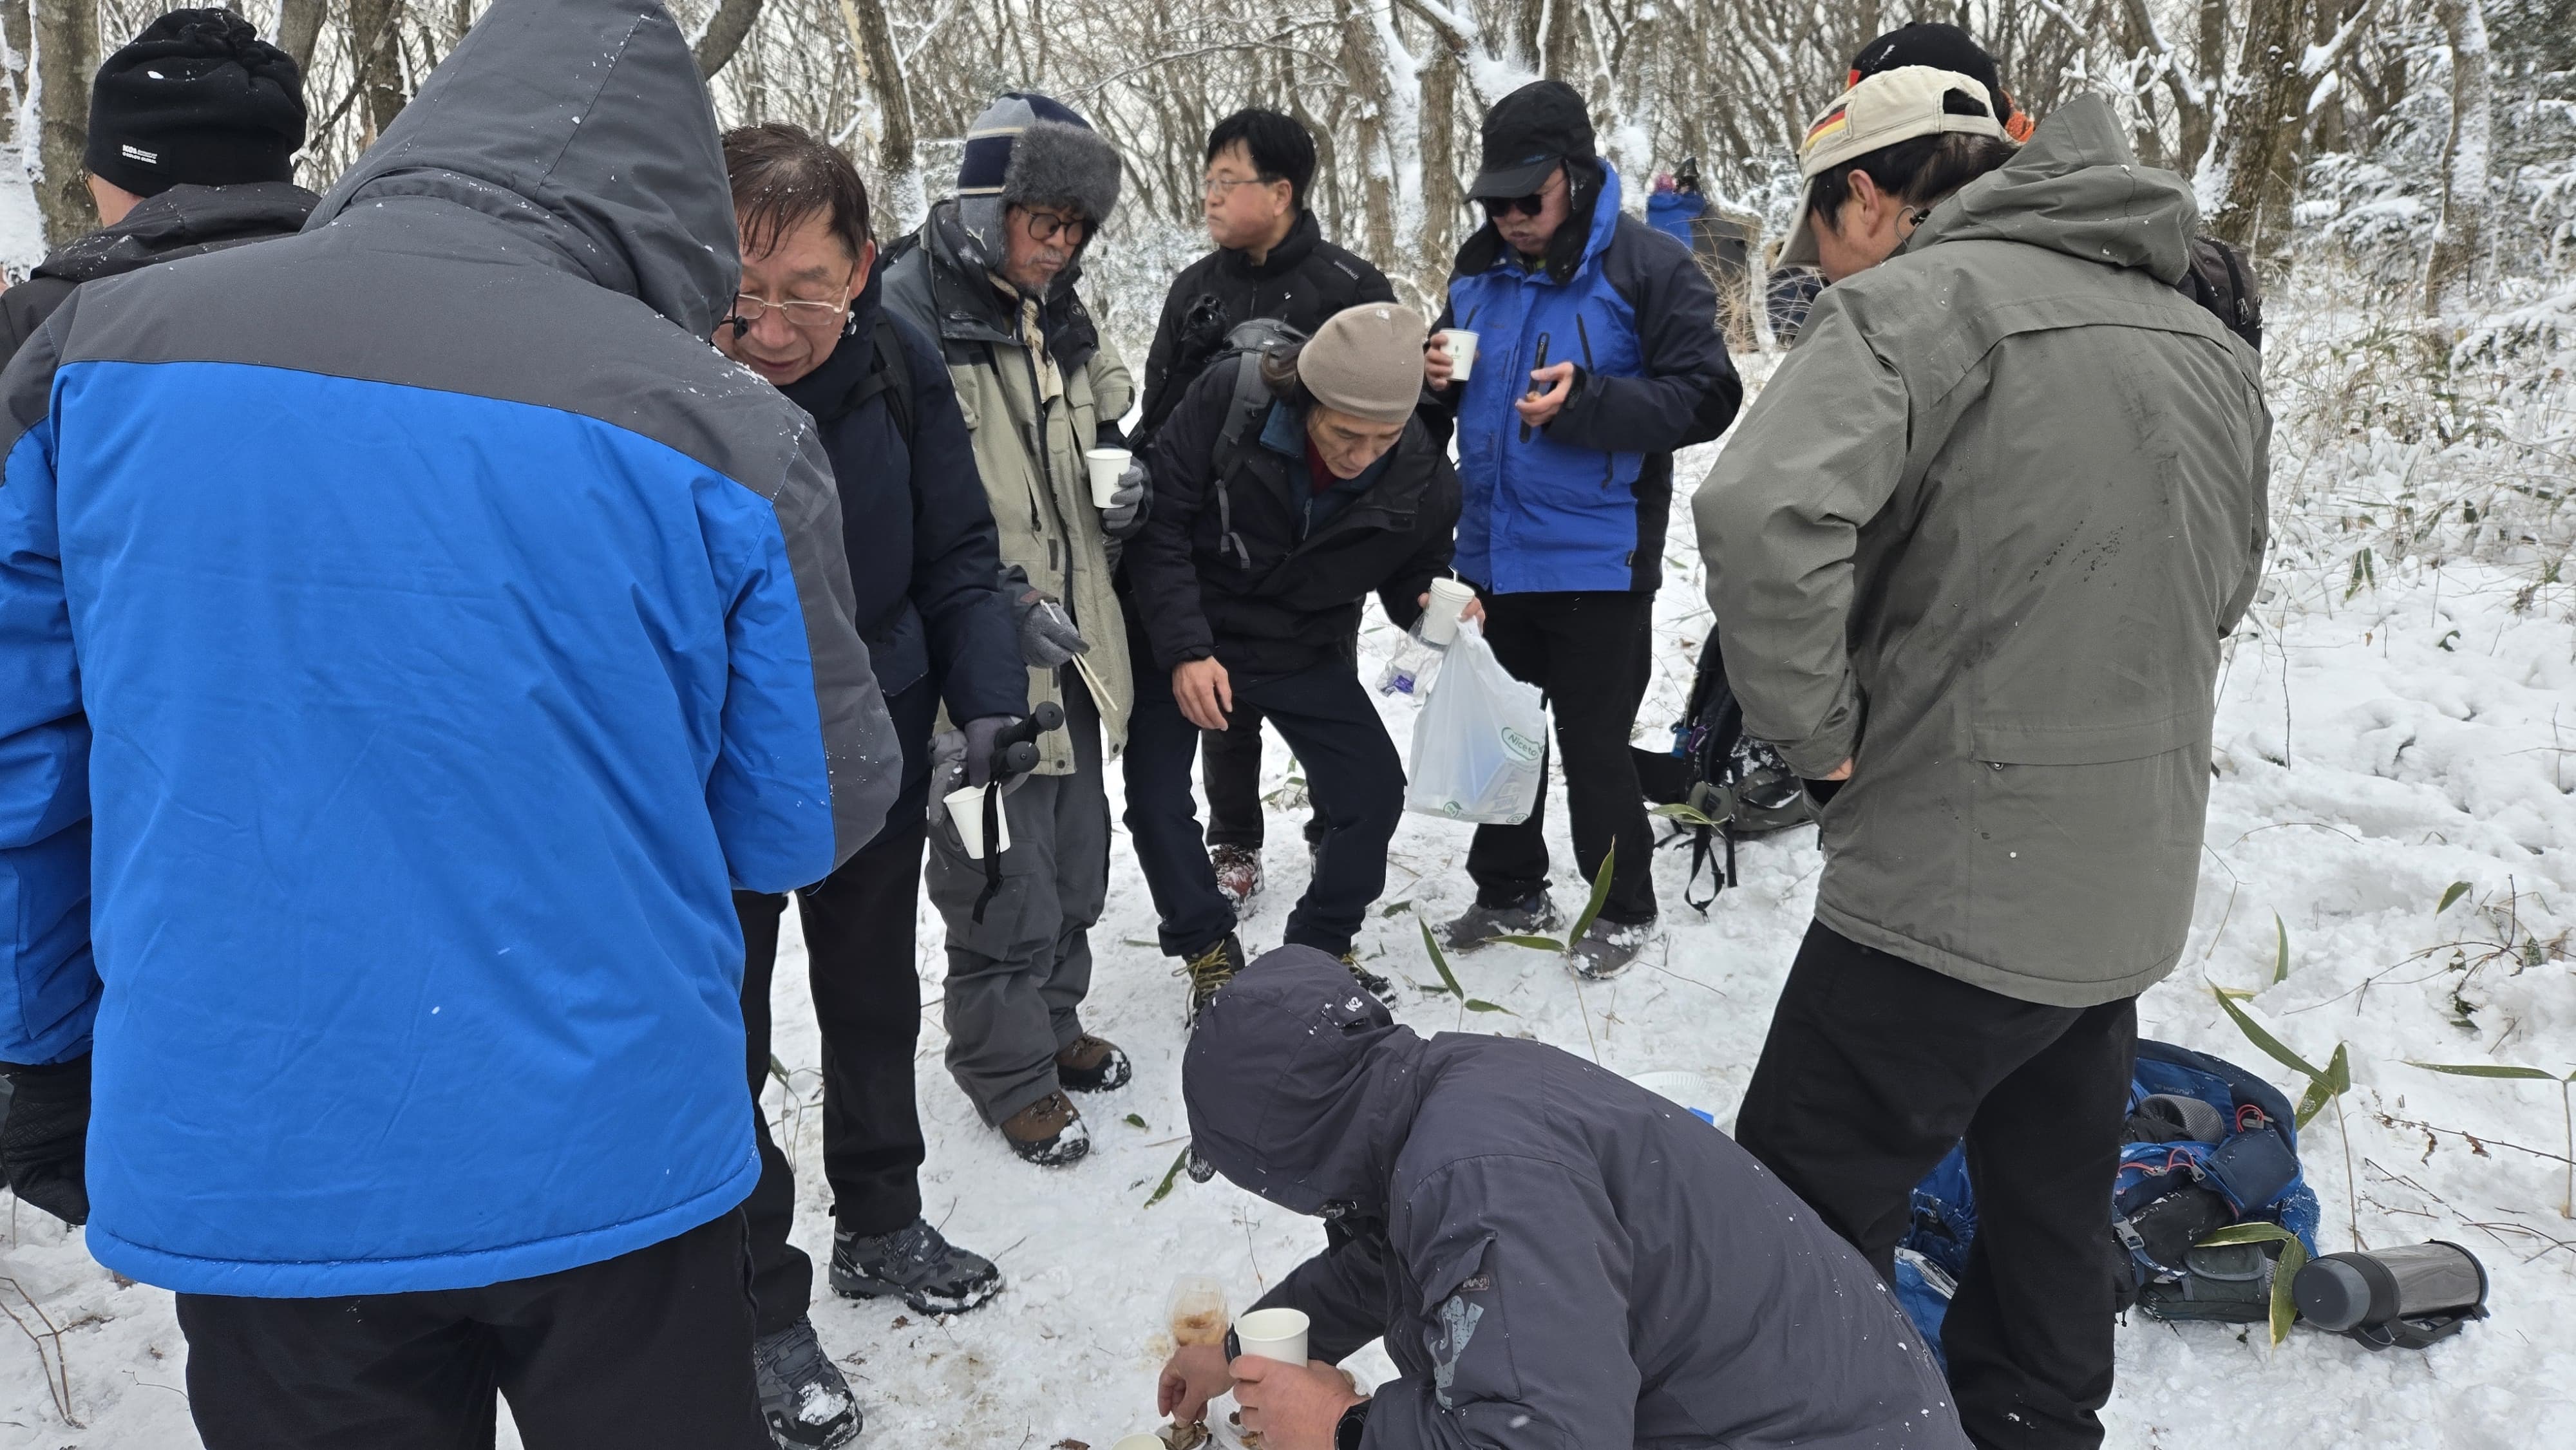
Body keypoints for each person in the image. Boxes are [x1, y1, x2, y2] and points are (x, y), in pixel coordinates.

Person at [0, 2, 901, 1445]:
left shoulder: (94, 358)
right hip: (610, 1153)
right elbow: (802, 814)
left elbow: (25, 762)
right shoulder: (715, 423)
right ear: (669, 195)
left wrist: (42, 1052)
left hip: (261, 1139)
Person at [1694, 71, 2269, 1450]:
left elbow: (1758, 510)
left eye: (1818, 230)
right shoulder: (2198, 335)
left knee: (1787, 1209)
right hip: (2120, 882)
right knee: (2046, 1201)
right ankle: (2028, 1424)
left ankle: (1787, 1425)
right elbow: (2223, 584)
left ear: (1868, 196)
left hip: (1946, 886)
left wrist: (1818, 737)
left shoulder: (1911, 307)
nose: (1816, 266)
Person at [712, 123, 1027, 1449]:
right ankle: (751, 1294)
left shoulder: (896, 360)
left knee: (869, 986)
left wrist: (990, 693)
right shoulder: (652, 373)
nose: (771, 328)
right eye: (742, 292)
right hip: (708, 740)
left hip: (872, 722)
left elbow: (958, 543)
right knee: (717, 1017)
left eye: (806, 292)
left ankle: (882, 1219)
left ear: (865, 266)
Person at [1158, 947, 1971, 1450]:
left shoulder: (1478, 1176)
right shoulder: (1435, 1093)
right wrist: (1230, 1354)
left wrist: (1344, 1428)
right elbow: (1390, 1260)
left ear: (1286, 1161)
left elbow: (1543, 1439)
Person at [1421, 80, 1740, 979]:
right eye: (1497, 201)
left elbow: (1711, 395)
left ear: (1576, 172)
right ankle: (1510, 889)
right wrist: (1431, 383)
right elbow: (1437, 405)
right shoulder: (1476, 275)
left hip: (1600, 556)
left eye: (1531, 198)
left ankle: (1622, 905)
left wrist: (1591, 403)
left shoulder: (1647, 268)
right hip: (1489, 551)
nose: (1514, 217)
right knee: (1502, 732)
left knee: (1593, 747)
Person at [881, 91, 1138, 1169]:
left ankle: (1056, 1022)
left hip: (1078, 653)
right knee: (996, 878)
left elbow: (1105, 443)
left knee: (1076, 866)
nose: (1063, 247)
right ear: (990, 207)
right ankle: (1007, 1071)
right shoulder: (904, 317)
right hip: (971, 666)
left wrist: (1130, 491)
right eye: (1047, 223)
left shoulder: (1065, 320)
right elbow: (884, 516)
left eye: (1078, 228)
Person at [1122, 304, 1461, 1022]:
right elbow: (1162, 526)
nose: (1359, 454)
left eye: (1382, 437)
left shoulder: (1425, 470)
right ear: (1306, 398)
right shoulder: (1230, 399)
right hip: (1189, 625)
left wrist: (1428, 599)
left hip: (1298, 639)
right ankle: (1207, 949)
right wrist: (1186, 649)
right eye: (1343, 432)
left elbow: (1414, 563)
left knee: (1372, 791)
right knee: (1155, 799)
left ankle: (1320, 944)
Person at [1137, 108, 1399, 915]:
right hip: (1211, 538)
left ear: (1280, 191)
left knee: (1318, 680)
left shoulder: (1349, 288)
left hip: (1312, 552)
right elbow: (1159, 412)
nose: (1208, 199)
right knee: (1222, 710)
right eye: (1207, 182)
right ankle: (1234, 841)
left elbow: (1395, 435)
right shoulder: (1195, 288)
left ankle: (1333, 827)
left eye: (1226, 182)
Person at [0, 8, 313, 358]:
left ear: (135, 186)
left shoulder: (55, 328)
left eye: (91, 180)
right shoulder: (365, 296)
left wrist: (15, 339)